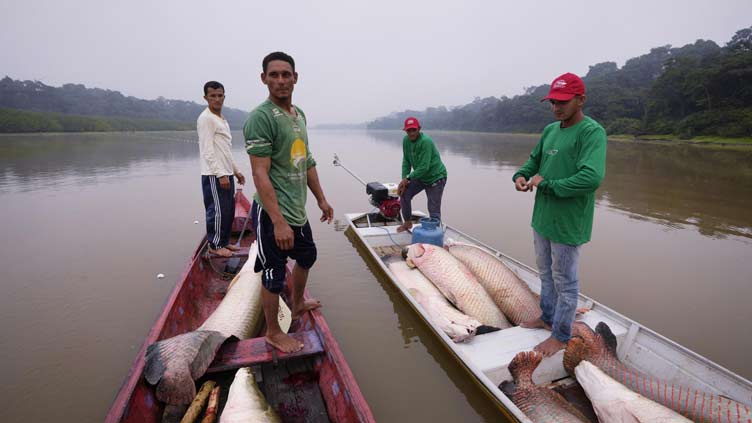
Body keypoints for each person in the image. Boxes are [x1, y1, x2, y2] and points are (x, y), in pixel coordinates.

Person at [244, 52, 334, 353]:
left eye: (286, 74)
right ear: (264, 79)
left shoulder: (299, 115)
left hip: (297, 210)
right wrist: (278, 221)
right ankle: (272, 332)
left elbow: (305, 160)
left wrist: (321, 199)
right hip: (273, 214)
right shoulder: (261, 118)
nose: (281, 80)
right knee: (272, 273)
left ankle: (295, 305)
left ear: (295, 77)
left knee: (307, 255)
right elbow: (259, 173)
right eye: (274, 75)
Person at [513, 72, 607, 357]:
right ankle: (547, 316)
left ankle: (562, 335)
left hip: (567, 223)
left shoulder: (592, 132)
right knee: (545, 273)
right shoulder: (551, 130)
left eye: (563, 101)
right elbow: (534, 160)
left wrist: (548, 185)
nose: (556, 107)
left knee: (565, 281)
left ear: (581, 100)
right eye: (553, 101)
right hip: (542, 218)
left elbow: (591, 178)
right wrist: (521, 175)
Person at [198, 81, 245, 258]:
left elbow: (225, 151)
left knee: (228, 210)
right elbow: (207, 151)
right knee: (217, 211)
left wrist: (236, 171)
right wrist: (220, 175)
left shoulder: (221, 119)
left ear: (224, 96)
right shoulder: (206, 119)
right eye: (213, 96)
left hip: (225, 174)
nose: (217, 99)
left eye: (220, 95)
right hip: (214, 175)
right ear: (206, 98)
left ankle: (224, 242)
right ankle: (215, 245)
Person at [396, 117, 448, 233]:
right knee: (404, 193)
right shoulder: (406, 141)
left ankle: (435, 233)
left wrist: (409, 178)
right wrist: (404, 179)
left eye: (414, 130)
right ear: (405, 131)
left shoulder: (426, 142)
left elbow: (424, 167)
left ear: (419, 129)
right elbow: (406, 161)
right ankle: (407, 222)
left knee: (433, 208)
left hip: (436, 177)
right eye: (409, 131)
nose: (411, 133)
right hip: (420, 176)